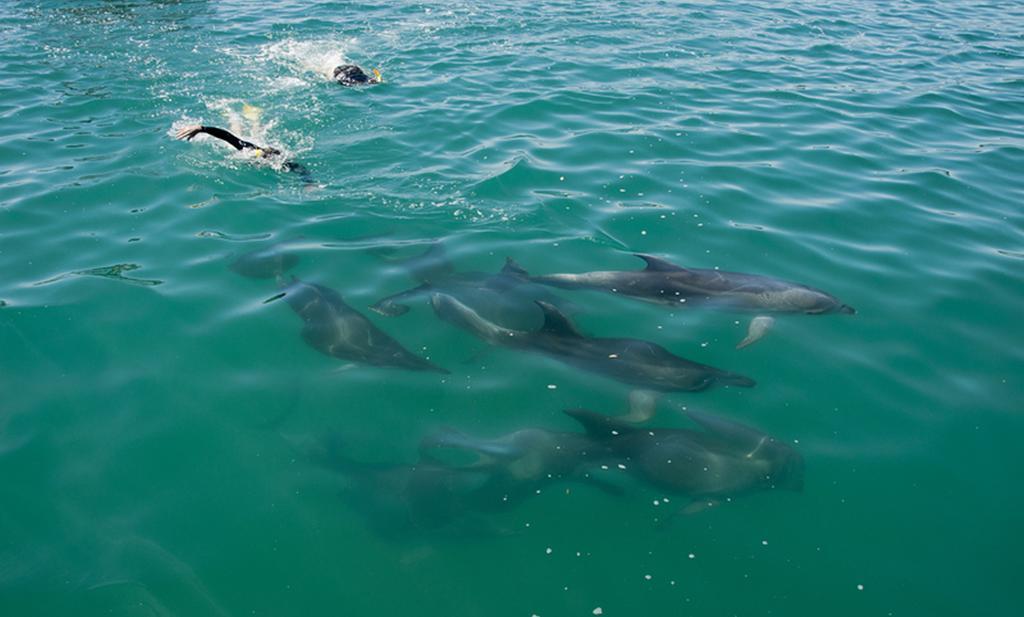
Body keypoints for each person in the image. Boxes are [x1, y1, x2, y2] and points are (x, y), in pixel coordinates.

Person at [175, 125, 312, 182]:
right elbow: (227, 136)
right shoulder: (248, 151)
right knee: (240, 132)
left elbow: (302, 170)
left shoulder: (279, 162)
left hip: (261, 149)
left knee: (251, 133)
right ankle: (231, 114)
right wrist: (202, 128)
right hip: (252, 145)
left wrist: (309, 183)